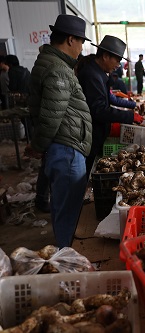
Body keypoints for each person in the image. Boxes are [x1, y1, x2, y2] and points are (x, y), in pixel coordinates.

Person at [24, 14, 92, 247]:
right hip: (67, 149)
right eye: (81, 42)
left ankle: (64, 251)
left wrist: (39, 145)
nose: (82, 48)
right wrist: (37, 146)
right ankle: (67, 258)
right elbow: (51, 116)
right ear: (71, 40)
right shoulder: (58, 69)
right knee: (69, 210)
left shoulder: (50, 62)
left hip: (62, 147)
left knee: (62, 205)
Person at [76, 35, 143, 177]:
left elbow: (108, 99)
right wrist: (129, 115)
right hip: (90, 131)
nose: (118, 65)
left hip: (96, 130)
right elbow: (99, 110)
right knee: (85, 171)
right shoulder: (92, 75)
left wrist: (131, 106)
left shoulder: (99, 73)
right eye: (117, 60)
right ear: (105, 56)